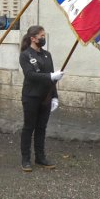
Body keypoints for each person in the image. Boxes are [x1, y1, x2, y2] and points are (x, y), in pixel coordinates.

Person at [19, 25, 64, 172]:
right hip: (31, 97)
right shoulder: (25, 55)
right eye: (41, 36)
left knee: (41, 128)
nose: (43, 38)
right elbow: (30, 75)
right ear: (33, 38)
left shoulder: (47, 55)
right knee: (28, 127)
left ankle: (40, 157)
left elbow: (52, 79)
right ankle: (25, 159)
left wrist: (55, 97)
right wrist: (50, 76)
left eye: (44, 36)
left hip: (46, 97)